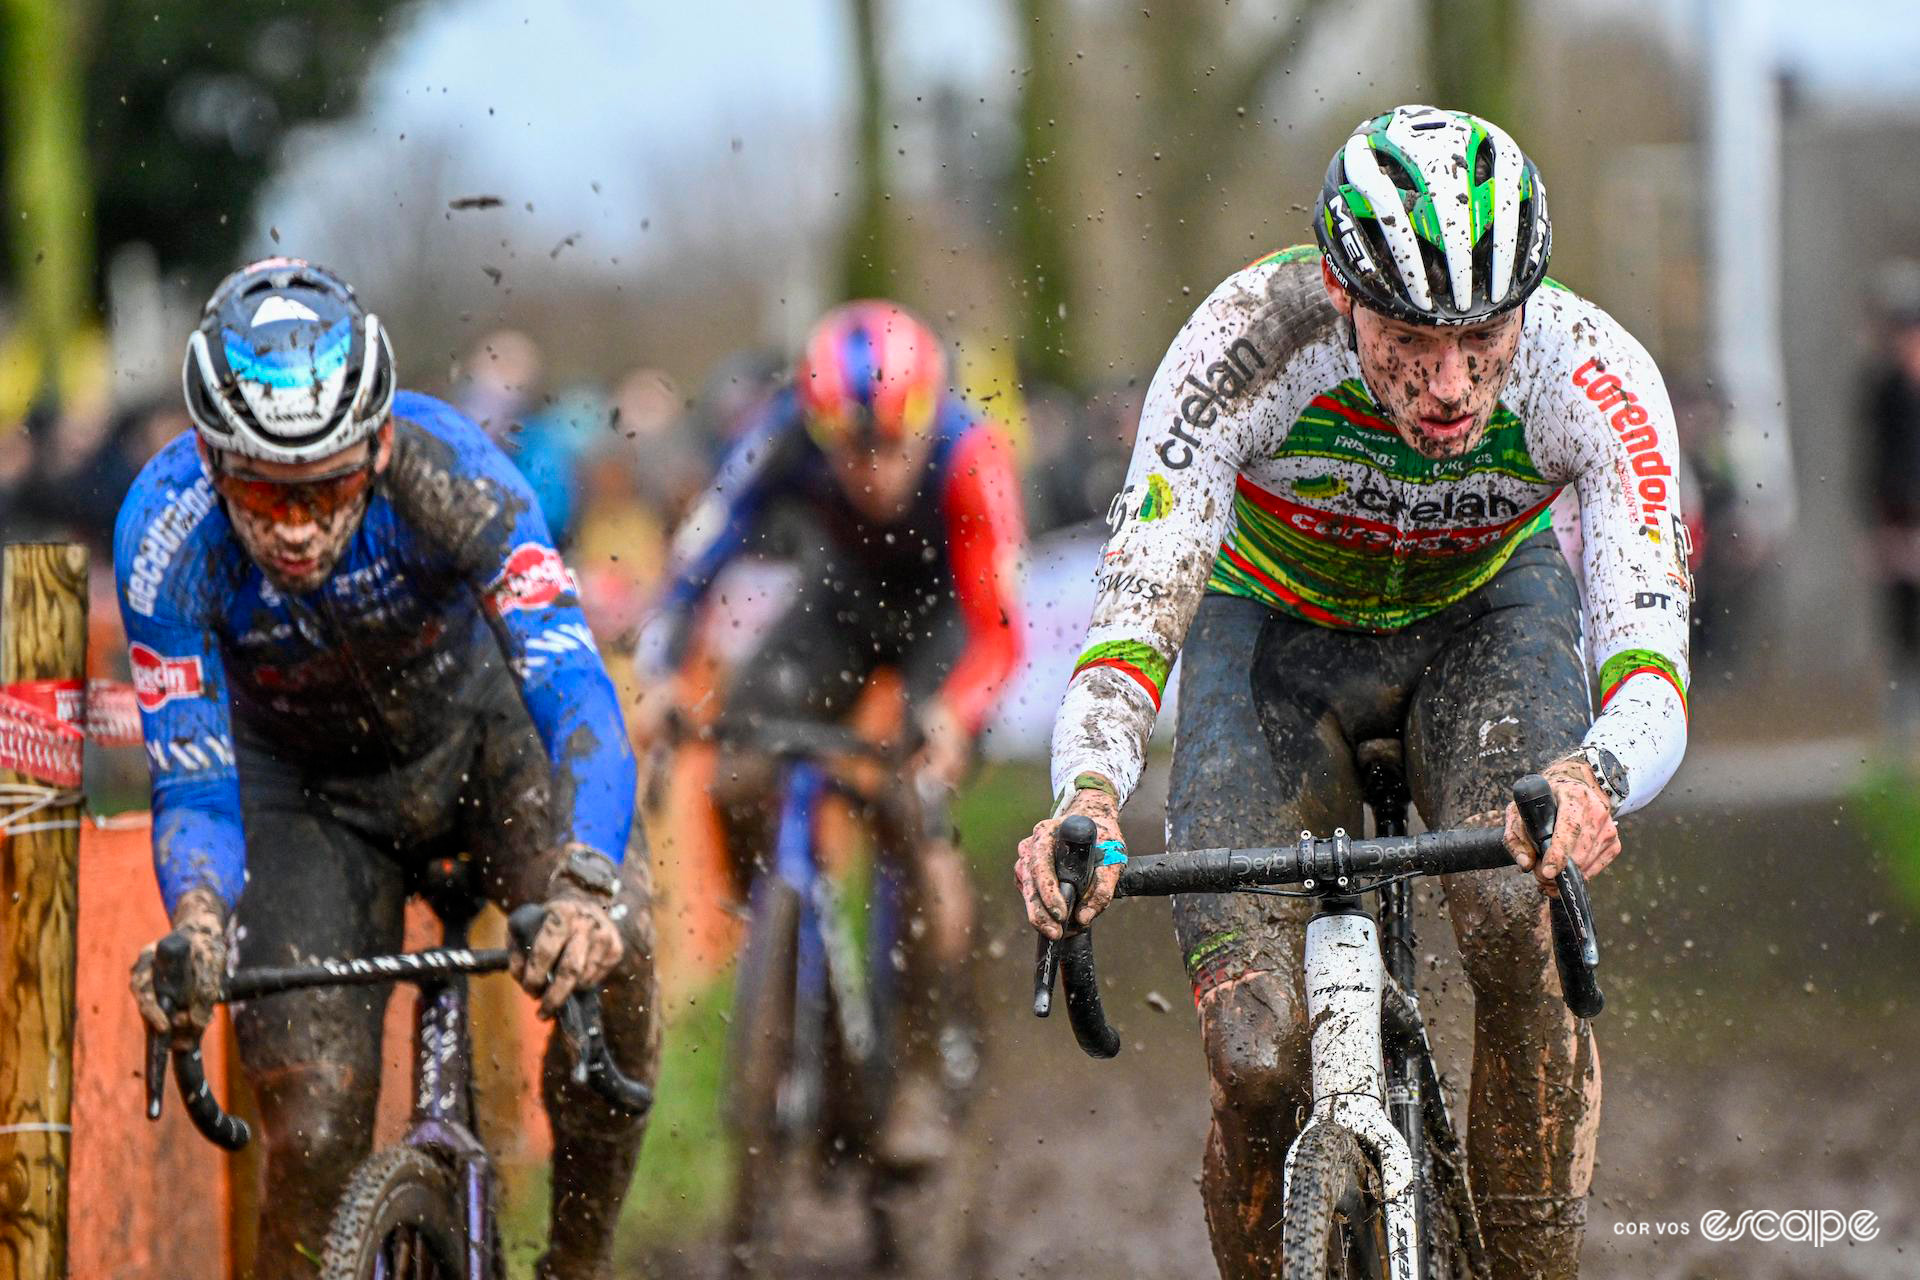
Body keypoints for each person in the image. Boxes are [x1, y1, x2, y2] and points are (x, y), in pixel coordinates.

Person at [1014, 105, 1692, 1279]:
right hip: (1271, 635)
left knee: (1513, 922)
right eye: (1408, 340)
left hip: (1486, 624)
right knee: (1255, 1048)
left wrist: (1594, 777)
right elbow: (1136, 612)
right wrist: (1085, 794)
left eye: (1483, 338)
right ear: (1340, 292)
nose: (1448, 383)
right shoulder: (1244, 343)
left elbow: (1650, 667)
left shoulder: (1594, 373)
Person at [115, 258, 658, 1280]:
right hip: (308, 796)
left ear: (379, 444)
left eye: (328, 485)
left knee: (621, 951)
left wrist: (585, 883)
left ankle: (578, 1262)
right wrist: (194, 918)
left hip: (487, 746)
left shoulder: (459, 473)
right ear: (210, 460)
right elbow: (191, 773)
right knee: (314, 1127)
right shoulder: (165, 532)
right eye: (263, 491)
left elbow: (574, 689)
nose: (298, 524)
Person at [632, 300, 1025, 1170]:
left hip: (943, 627)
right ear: (818, 425)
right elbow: (698, 556)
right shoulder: (783, 436)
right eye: (850, 449)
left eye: (890, 445)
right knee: (735, 767)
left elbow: (1000, 630)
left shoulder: (969, 453)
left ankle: (921, 1071)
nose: (871, 469)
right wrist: (660, 669)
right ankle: (775, 940)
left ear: (925, 417)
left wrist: (954, 721)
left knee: (916, 825)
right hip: (839, 606)